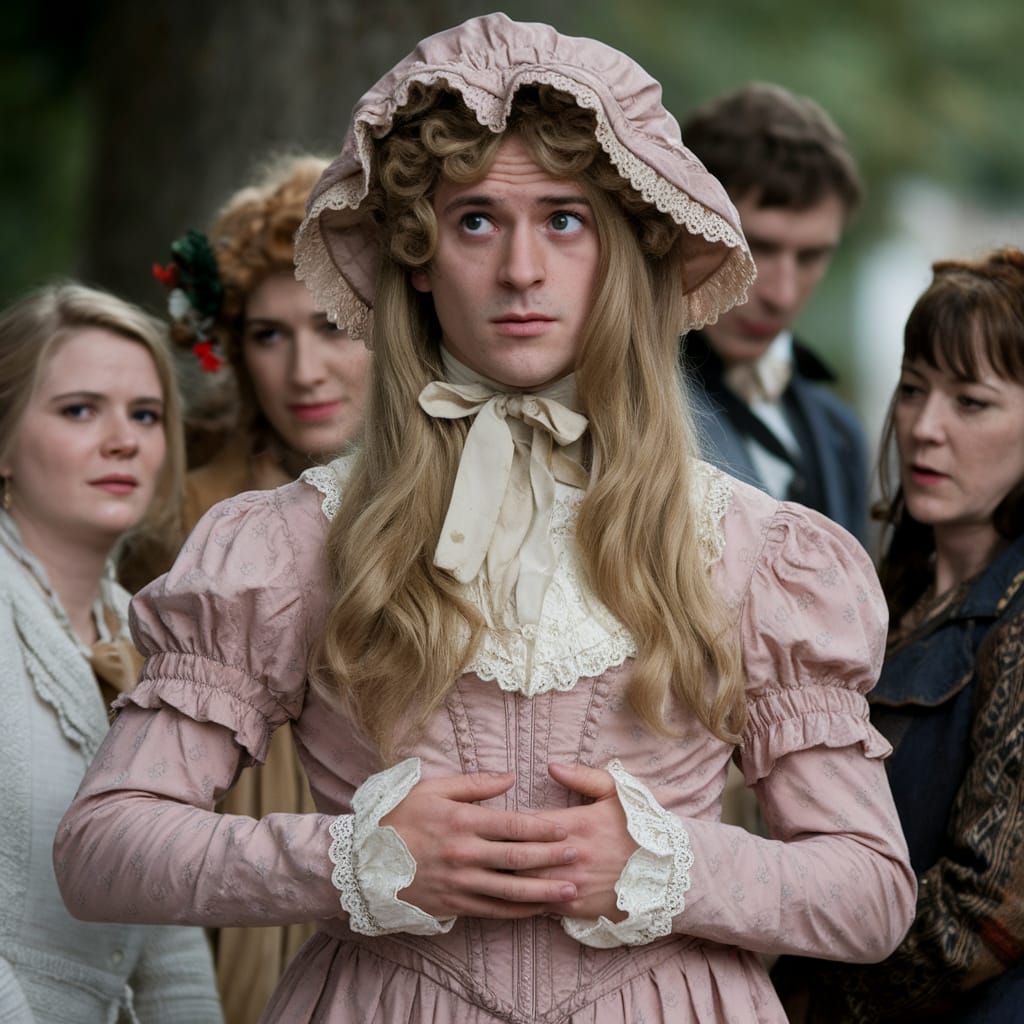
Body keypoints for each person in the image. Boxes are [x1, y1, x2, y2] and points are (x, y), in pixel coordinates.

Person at [54, 15, 915, 1023]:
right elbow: (102, 849)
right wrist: (355, 858)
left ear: (626, 254)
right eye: (474, 221)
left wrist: (671, 866)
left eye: (564, 220)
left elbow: (871, 893)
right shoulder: (286, 541)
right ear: (415, 256)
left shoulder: (760, 552)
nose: (519, 270)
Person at [138, 153, 372, 1023]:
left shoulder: (466, 495)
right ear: (233, 350)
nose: (304, 370)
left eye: (332, 326)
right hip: (224, 911)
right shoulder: (178, 519)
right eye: (270, 335)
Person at [773, 248, 1024, 1022]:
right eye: (914, 390)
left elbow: (991, 909)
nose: (924, 427)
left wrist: (807, 991)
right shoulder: (885, 593)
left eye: (971, 402)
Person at [0, 282, 221, 1022]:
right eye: (79, 410)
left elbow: (162, 909)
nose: (124, 439)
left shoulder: (145, 631)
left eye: (146, 414)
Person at [680, 83, 869, 543]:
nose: (782, 295)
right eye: (756, 248)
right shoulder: (608, 398)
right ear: (679, 226)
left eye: (810, 257)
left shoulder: (841, 433)